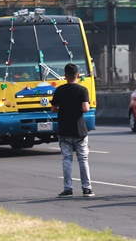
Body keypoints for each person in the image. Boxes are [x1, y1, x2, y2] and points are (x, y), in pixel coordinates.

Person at [51, 63, 95, 197]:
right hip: (79, 129)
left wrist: (64, 108)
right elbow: (86, 108)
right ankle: (86, 188)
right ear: (78, 75)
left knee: (66, 159)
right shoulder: (82, 90)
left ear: (65, 76)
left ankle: (68, 188)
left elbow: (53, 109)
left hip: (64, 129)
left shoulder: (59, 90)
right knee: (83, 159)